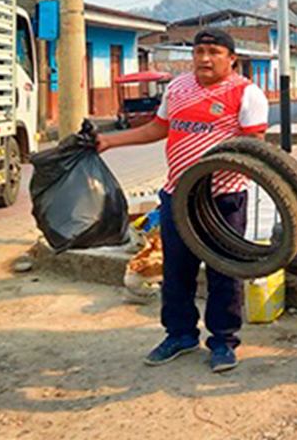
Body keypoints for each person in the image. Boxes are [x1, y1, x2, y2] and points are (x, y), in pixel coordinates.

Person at [98, 28, 269, 371]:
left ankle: (222, 341)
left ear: (231, 58)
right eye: (199, 52)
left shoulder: (246, 93)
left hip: (224, 198)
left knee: (224, 272)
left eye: (214, 52)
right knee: (176, 272)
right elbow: (157, 129)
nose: (205, 59)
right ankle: (179, 335)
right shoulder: (177, 88)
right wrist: (110, 142)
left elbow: (256, 147)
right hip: (178, 195)